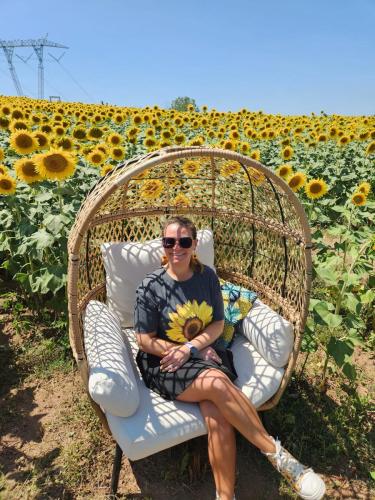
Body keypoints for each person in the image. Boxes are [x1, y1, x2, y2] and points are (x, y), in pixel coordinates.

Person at [134, 216, 325, 500]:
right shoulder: (150, 287)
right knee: (218, 384)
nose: (177, 247)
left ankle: (225, 497)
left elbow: (217, 325)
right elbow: (144, 340)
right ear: (163, 245)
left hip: (197, 352)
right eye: (170, 241)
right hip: (165, 362)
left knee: (218, 417)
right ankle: (280, 458)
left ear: (194, 244)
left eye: (184, 241)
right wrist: (178, 352)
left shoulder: (207, 277)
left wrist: (192, 348)